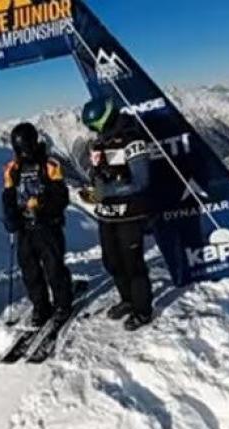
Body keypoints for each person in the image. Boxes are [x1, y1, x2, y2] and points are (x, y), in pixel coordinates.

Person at [79, 98, 154, 331]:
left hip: (129, 214)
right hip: (107, 214)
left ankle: (143, 310)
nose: (91, 130)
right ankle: (127, 300)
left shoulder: (132, 140)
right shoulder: (99, 142)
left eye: (94, 125)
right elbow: (100, 175)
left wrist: (107, 190)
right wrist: (94, 188)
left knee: (133, 263)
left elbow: (141, 181)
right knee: (112, 261)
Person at [2, 123, 74, 328]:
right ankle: (41, 306)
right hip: (25, 229)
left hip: (48, 227)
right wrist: (11, 219)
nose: (23, 153)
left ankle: (63, 303)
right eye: (19, 149)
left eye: (24, 147)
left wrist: (41, 203)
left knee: (54, 268)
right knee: (30, 271)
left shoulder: (49, 165)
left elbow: (62, 198)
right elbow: (9, 199)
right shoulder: (14, 169)